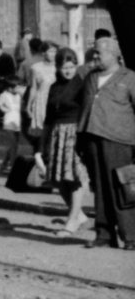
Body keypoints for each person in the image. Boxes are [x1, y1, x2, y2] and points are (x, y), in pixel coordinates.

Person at [76, 37, 135, 249]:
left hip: (119, 140)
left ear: (113, 54)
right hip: (91, 138)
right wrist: (80, 137)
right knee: (99, 187)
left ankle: (131, 236)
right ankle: (104, 234)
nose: (95, 57)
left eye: (98, 53)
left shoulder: (129, 78)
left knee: (121, 188)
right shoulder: (90, 77)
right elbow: (82, 107)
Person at [42, 47, 90, 236]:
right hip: (56, 134)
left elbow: (88, 112)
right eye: (64, 67)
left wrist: (84, 136)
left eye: (71, 67)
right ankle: (80, 216)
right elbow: (49, 116)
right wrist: (41, 144)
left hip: (75, 134)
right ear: (58, 67)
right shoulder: (54, 87)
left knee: (75, 177)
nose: (68, 71)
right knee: (58, 179)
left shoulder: (82, 85)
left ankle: (72, 220)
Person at [22, 37, 56, 148]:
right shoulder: (36, 68)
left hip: (55, 101)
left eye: (55, 52)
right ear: (43, 53)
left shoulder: (60, 67)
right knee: (42, 130)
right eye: (51, 51)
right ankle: (40, 153)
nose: (53, 54)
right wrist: (28, 105)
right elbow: (33, 88)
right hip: (41, 101)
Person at [0, 77, 25, 171]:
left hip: (18, 121)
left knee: (14, 144)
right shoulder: (4, 95)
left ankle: (4, 164)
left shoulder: (19, 95)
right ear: (10, 88)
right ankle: (13, 166)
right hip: (9, 121)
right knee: (13, 144)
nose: (19, 89)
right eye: (17, 87)